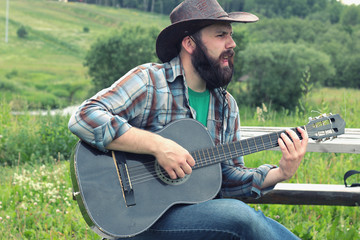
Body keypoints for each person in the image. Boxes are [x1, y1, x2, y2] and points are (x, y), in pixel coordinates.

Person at [68, 0, 308, 239]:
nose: (232, 43)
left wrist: (279, 173)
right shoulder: (150, 81)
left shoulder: (225, 105)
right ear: (190, 43)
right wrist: (159, 146)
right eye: (221, 35)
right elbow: (84, 116)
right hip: (137, 221)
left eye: (231, 35)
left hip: (193, 218)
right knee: (240, 217)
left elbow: (226, 178)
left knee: (242, 216)